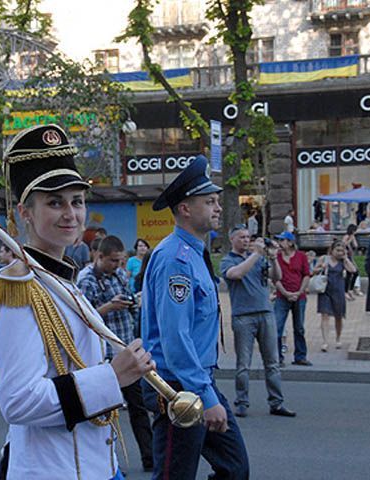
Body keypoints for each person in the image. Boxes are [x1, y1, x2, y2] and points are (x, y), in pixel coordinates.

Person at [0, 124, 153, 479]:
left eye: (77, 201)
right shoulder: (20, 287)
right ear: (25, 213)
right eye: (54, 202)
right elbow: (18, 400)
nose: (70, 213)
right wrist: (112, 377)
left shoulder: (66, 282)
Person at [141, 154, 249, 480]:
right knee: (176, 474)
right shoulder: (175, 258)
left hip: (197, 379)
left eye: (217, 201)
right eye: (210, 201)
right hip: (178, 386)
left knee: (235, 468)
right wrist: (205, 395)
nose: (218, 207)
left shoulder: (193, 251)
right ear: (185, 209)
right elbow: (176, 338)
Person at [77, 235, 154, 472]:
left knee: (138, 407)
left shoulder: (120, 274)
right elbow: (81, 319)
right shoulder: (87, 279)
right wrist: (109, 306)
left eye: (120, 261)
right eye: (113, 261)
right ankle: (105, 463)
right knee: (104, 410)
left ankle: (149, 458)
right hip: (103, 355)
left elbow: (128, 303)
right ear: (99, 257)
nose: (118, 266)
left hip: (125, 348)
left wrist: (131, 303)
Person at [220, 225, 295, 419]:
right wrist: (256, 254)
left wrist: (273, 257)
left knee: (273, 362)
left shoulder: (260, 258)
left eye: (248, 237)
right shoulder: (228, 260)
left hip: (266, 313)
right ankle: (242, 402)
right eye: (242, 237)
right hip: (243, 316)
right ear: (232, 240)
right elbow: (235, 274)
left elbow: (277, 277)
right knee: (243, 363)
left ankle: (276, 403)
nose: (247, 240)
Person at [274, 231, 312, 366]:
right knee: (277, 326)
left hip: (299, 296)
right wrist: (285, 293)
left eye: (283, 240)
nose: (280, 243)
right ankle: (277, 357)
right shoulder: (276, 257)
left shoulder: (301, 256)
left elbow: (306, 275)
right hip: (282, 296)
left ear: (290, 242)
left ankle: (300, 356)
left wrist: (299, 292)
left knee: (299, 327)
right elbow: (274, 278)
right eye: (279, 240)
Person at [313, 240, 357, 352]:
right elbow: (313, 271)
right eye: (337, 250)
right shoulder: (324, 259)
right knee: (324, 315)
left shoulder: (343, 261)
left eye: (342, 251)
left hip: (338, 291)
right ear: (331, 250)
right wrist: (321, 267)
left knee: (339, 316)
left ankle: (338, 338)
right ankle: (325, 341)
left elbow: (353, 270)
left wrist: (346, 258)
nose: (339, 253)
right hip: (325, 290)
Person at [342, 224, 359, 301]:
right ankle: (346, 291)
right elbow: (343, 244)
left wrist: (353, 239)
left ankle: (350, 289)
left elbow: (356, 245)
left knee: (355, 273)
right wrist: (349, 240)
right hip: (346, 257)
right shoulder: (346, 236)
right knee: (350, 273)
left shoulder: (352, 236)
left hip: (351, 256)